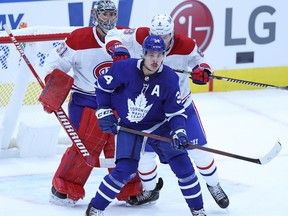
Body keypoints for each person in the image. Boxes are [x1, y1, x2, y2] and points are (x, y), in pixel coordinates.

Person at [105, 14, 229, 209]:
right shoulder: (139, 36)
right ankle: (150, 191)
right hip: (148, 112)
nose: (160, 40)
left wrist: (202, 69)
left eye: (165, 36)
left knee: (198, 151)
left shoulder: (186, 45)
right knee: (144, 157)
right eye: (156, 35)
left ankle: (214, 185)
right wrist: (116, 47)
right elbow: (114, 34)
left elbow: (202, 61)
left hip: (179, 108)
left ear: (172, 33)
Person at [86, 35, 207, 216]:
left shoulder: (170, 78)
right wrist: (104, 111)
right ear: (143, 54)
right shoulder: (123, 68)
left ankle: (198, 210)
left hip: (158, 126)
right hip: (130, 126)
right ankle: (95, 208)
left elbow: (175, 112)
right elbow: (102, 87)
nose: (155, 60)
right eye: (151, 55)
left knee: (184, 167)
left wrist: (179, 132)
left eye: (159, 55)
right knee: (124, 171)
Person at [40, 0, 142, 206]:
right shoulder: (78, 39)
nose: (109, 19)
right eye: (105, 15)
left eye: (112, 14)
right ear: (96, 16)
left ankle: (130, 189)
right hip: (86, 100)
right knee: (86, 144)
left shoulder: (125, 37)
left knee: (122, 145)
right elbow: (53, 63)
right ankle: (65, 188)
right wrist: (53, 86)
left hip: (117, 102)